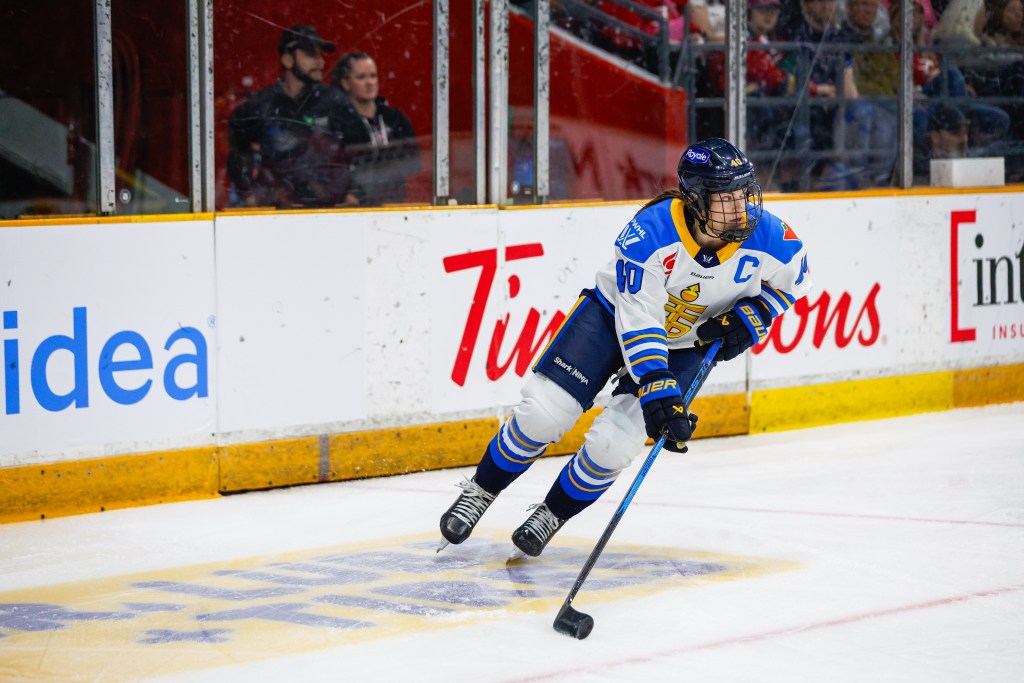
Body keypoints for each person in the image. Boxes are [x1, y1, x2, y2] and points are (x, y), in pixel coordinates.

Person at [437, 138, 813, 558]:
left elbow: (795, 282)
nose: (741, 208)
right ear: (695, 200)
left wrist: (757, 314)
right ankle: (481, 491)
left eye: (744, 193)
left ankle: (552, 513)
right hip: (610, 318)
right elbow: (640, 322)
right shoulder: (651, 234)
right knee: (544, 412)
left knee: (616, 444)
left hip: (690, 343)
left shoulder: (773, 237)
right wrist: (657, 387)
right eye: (726, 199)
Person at [227, 24, 358, 209]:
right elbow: (238, 155)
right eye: (311, 55)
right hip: (276, 218)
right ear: (288, 60)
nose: (321, 62)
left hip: (331, 214)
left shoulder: (336, 102)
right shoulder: (259, 105)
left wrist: (355, 195)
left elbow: (362, 152)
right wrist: (248, 196)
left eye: (321, 55)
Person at [329, 52, 421, 207]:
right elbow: (334, 171)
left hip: (394, 206)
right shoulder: (337, 123)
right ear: (345, 83)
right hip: (354, 210)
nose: (370, 82)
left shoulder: (395, 118)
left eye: (373, 76)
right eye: (361, 77)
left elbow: (414, 163)